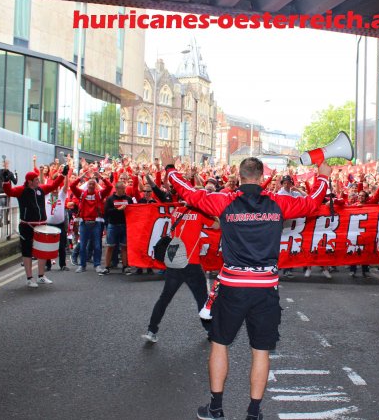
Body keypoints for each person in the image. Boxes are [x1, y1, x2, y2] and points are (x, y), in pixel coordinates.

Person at [161, 147, 330, 420]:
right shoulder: (278, 202)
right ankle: (253, 413)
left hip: (232, 286)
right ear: (262, 177)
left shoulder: (224, 201)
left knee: (219, 344)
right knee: (260, 351)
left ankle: (215, 408)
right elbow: (312, 203)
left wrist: (170, 168)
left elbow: (189, 193)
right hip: (265, 288)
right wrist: (323, 177)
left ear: (239, 177)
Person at [141, 205, 217, 344]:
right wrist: (211, 212)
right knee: (202, 299)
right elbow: (217, 225)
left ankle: (151, 331)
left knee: (164, 298)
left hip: (174, 261)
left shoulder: (176, 211)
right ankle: (210, 331)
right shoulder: (200, 212)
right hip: (191, 262)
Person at [3, 167, 66, 288]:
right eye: (36, 179)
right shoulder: (21, 190)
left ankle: (41, 276)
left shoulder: (41, 189)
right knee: (27, 252)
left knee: (42, 251)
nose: (38, 181)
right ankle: (29, 278)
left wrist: (63, 175)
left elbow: (54, 186)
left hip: (41, 225)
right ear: (30, 181)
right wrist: (6, 181)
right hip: (27, 225)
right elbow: (9, 192)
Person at [70, 171, 113, 274]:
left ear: (96, 186)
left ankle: (97, 265)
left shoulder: (99, 194)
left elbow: (110, 187)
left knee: (97, 245)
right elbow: (72, 186)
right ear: (86, 185)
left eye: (93, 184)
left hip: (96, 223)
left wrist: (101, 177)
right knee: (83, 245)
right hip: (84, 223)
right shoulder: (81, 194)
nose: (91, 186)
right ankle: (82, 265)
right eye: (89, 184)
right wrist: (80, 178)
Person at [99, 181, 134, 276]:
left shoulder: (128, 199)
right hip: (113, 225)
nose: (124, 190)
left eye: (124, 188)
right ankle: (106, 267)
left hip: (124, 224)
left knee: (124, 246)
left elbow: (133, 209)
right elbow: (106, 212)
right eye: (122, 188)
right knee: (110, 246)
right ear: (118, 189)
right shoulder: (110, 199)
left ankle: (125, 266)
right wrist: (118, 209)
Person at [44, 168, 71, 272]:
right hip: (48, 225)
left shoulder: (61, 195)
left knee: (61, 246)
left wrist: (66, 175)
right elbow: (42, 183)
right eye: (53, 187)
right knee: (47, 246)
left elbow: (66, 186)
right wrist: (41, 172)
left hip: (60, 225)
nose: (55, 189)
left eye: (56, 187)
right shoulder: (47, 195)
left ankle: (62, 264)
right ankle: (47, 265)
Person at [0, 159, 18, 228]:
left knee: (0, 206)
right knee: (7, 206)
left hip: (0, 192)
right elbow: (15, 182)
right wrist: (16, 174)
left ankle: (0, 218)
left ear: (2, 164)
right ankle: (6, 220)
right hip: (7, 192)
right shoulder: (10, 173)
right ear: (7, 165)